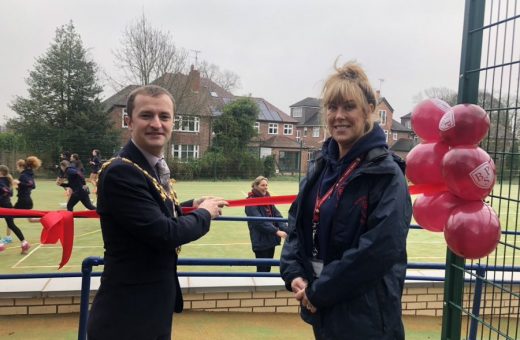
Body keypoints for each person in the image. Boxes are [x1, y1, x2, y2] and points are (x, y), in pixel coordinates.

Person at [280, 61, 412, 340]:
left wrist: (320, 290)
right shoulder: (320, 167)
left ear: (368, 112)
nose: (338, 116)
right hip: (324, 312)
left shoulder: (386, 174)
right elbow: (296, 226)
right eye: (332, 107)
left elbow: (378, 250)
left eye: (349, 107)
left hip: (368, 321)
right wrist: (294, 273)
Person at [87, 84, 228, 340]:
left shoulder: (148, 166)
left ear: (173, 122)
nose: (156, 123)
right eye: (146, 115)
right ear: (129, 122)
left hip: (149, 308)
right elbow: (164, 232)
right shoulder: (121, 171)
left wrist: (191, 205)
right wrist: (205, 213)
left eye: (164, 116)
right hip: (126, 317)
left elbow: (156, 211)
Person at [245, 176, 288, 272]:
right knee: (262, 269)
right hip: (260, 240)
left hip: (270, 239)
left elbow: (277, 215)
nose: (265, 187)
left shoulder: (267, 198)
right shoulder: (250, 201)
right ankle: (260, 286)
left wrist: (286, 228)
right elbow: (259, 222)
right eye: (262, 185)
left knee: (268, 268)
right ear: (255, 186)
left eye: (266, 185)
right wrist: (277, 232)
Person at [0, 165, 30, 254]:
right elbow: (10, 193)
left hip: (3, 206)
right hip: (7, 205)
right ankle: (24, 243)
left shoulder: (1, 181)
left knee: (11, 224)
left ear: (1, 172)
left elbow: (6, 191)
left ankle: (0, 245)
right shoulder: (7, 181)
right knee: (11, 225)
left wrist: (1, 197)